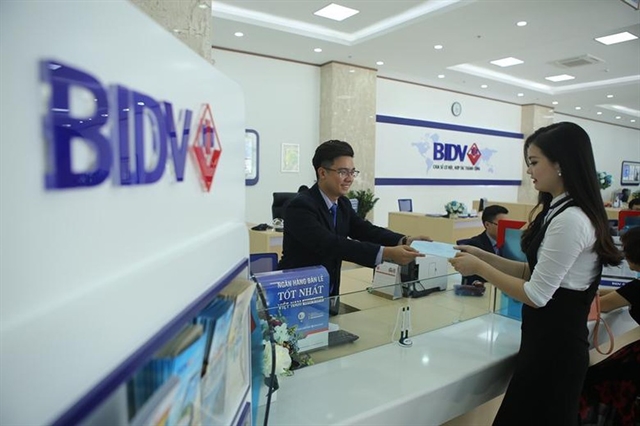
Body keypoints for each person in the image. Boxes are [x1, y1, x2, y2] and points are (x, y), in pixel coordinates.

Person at [449, 122, 623, 425]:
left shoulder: (571, 219)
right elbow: (532, 272)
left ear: (560, 164)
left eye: (534, 162)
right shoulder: (557, 209)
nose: (529, 171)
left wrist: (480, 269)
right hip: (543, 345)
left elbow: (537, 294)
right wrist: (482, 255)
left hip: (556, 352)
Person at [278, 140, 430, 314]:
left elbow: (364, 230)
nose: (349, 178)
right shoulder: (300, 206)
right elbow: (330, 244)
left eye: (352, 172)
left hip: (328, 294)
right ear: (322, 173)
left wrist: (404, 240)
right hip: (297, 295)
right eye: (343, 172)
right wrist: (386, 253)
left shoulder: (342, 203)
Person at [579, 226, 640, 426]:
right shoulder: (634, 288)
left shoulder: (636, 288)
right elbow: (621, 294)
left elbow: (603, 304)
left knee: (591, 377)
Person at [461, 204, 509, 286]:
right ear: (487, 225)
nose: (506, 228)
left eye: (508, 224)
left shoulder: (510, 244)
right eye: (502, 224)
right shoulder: (474, 245)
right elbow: (471, 278)